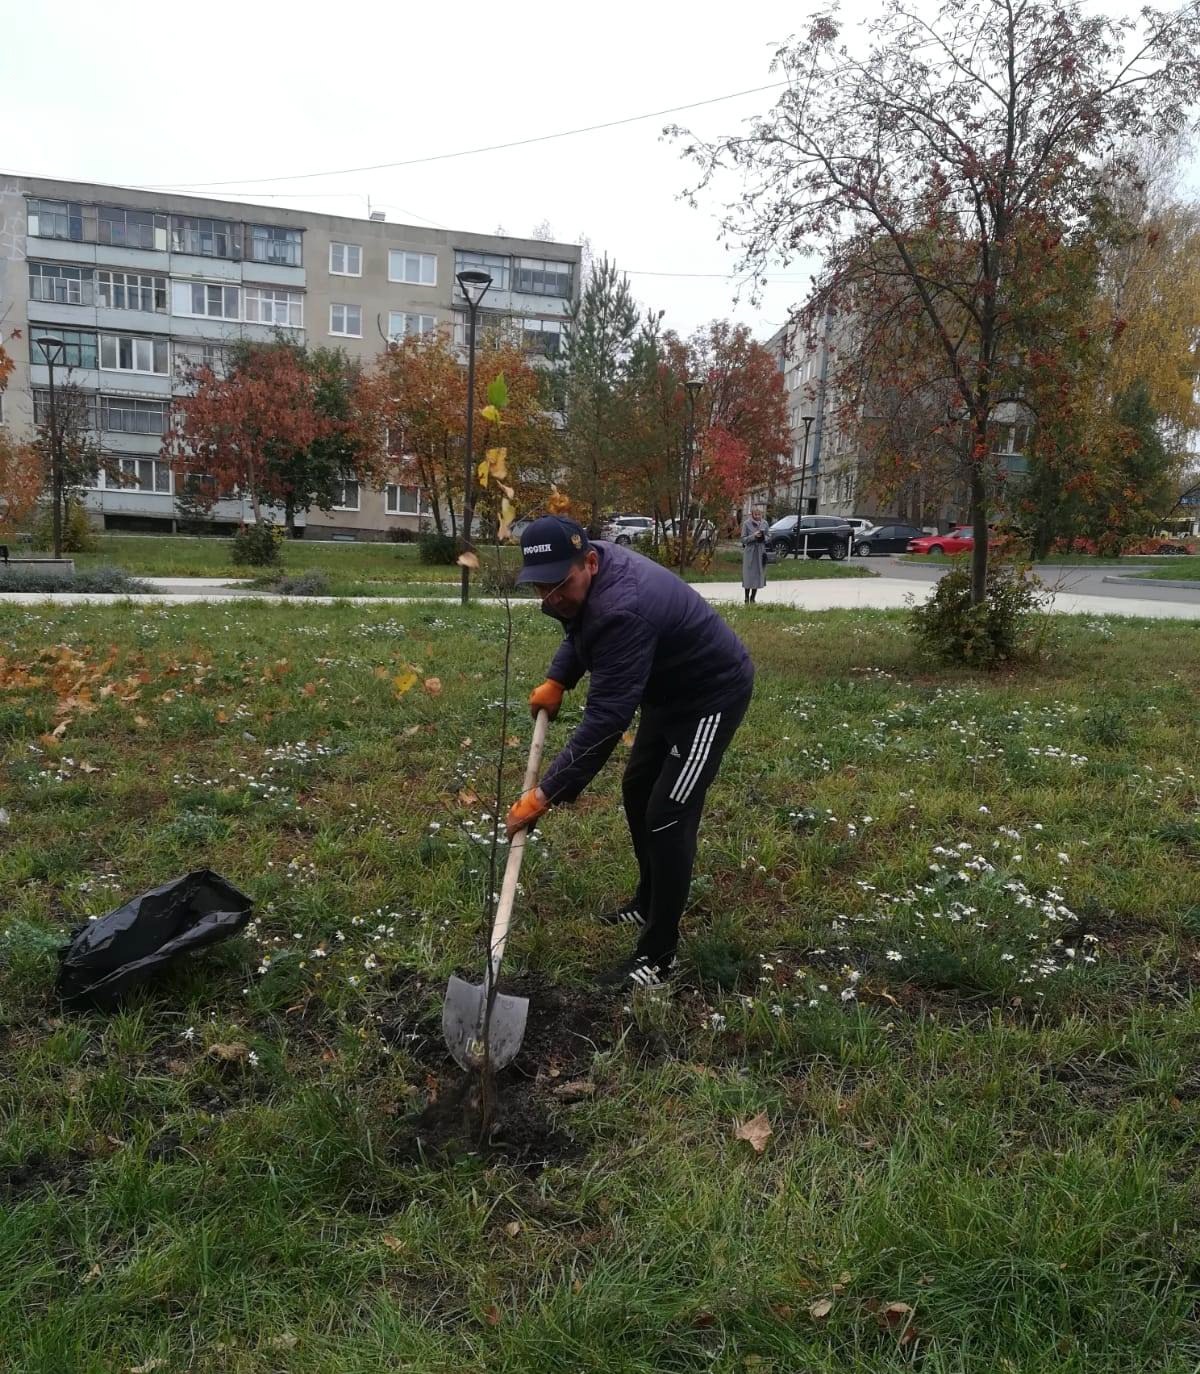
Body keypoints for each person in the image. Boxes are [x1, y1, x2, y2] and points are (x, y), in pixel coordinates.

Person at [504, 514, 754, 989]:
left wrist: (547, 792)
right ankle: (647, 900)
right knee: (638, 788)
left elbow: (605, 722)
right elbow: (580, 628)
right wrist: (560, 677)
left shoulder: (624, 607)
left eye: (558, 585)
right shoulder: (581, 576)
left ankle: (658, 957)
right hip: (664, 687)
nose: (550, 598)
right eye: (540, 588)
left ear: (590, 563)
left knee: (667, 815)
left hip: (708, 697)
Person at [741, 506, 768, 604]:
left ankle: (753, 598)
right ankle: (746, 598)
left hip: (760, 552)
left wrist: (764, 537)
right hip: (750, 553)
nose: (757, 516)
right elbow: (743, 539)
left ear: (762, 514)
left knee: (757, 575)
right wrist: (753, 536)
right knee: (748, 575)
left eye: (759, 514)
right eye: (755, 514)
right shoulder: (746, 524)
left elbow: (769, 537)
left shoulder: (765, 523)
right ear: (752, 514)